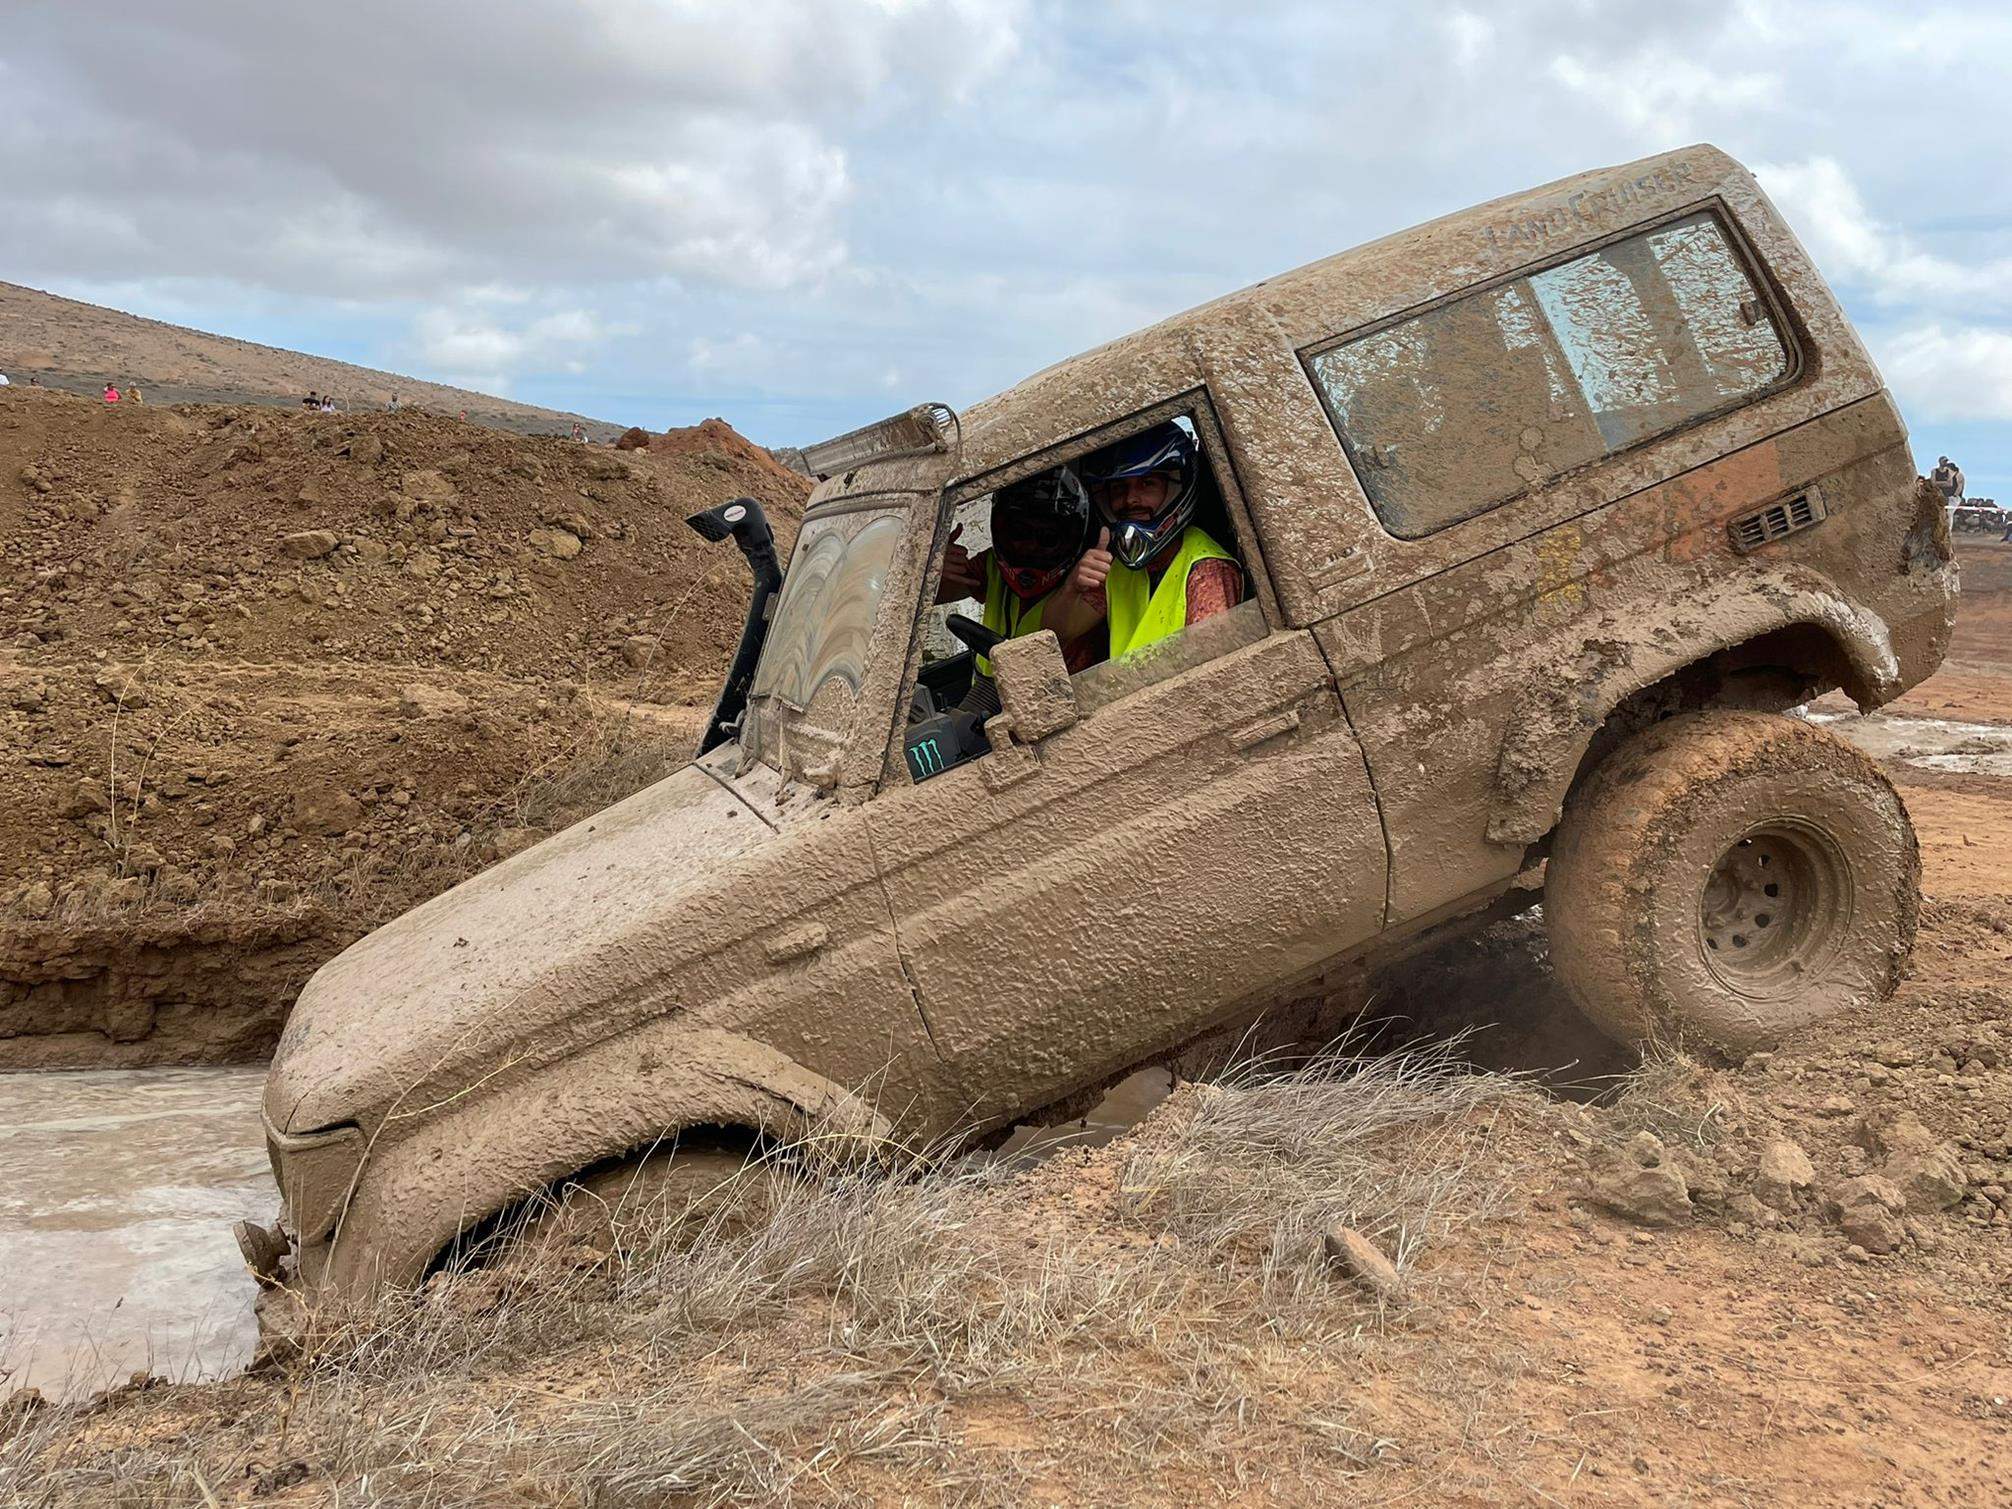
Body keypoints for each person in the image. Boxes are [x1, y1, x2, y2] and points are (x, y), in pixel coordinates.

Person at [1043, 422, 1242, 660]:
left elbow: (1211, 668)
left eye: (1147, 484)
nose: (1130, 499)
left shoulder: (1205, 570)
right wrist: (1071, 587)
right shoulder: (1116, 568)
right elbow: (1056, 636)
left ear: (1175, 488)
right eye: (1119, 488)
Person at [939, 466, 1098, 673]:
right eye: (1019, 533)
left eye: (1047, 538)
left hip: (1061, 696)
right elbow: (936, 596)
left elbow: (1060, 631)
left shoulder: (1091, 576)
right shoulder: (992, 565)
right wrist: (932, 570)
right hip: (992, 690)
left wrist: (1071, 588)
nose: (1030, 545)